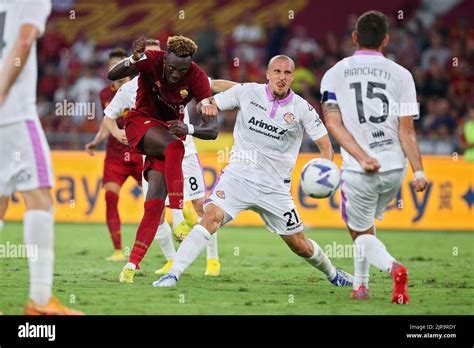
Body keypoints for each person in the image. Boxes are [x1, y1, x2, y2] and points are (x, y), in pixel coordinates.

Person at [154, 55, 353, 288]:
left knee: (300, 245)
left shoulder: (302, 108)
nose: (281, 77)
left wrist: (325, 171)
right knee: (210, 217)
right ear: (267, 74)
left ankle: (333, 275)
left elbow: (325, 146)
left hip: (275, 188)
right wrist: (206, 105)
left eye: (287, 73)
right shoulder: (248, 92)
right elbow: (210, 103)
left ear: (293, 77)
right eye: (277, 72)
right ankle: (173, 274)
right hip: (238, 177)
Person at [320, 10, 428, 304]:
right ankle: (361, 286)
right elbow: (408, 131)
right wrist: (419, 172)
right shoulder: (402, 74)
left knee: (359, 231)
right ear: (386, 40)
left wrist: (362, 156)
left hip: (360, 170)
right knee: (367, 224)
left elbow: (332, 123)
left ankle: (394, 268)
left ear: (354, 38)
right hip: (395, 168)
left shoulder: (334, 74)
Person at [103, 59, 236, 276]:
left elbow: (215, 85)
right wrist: (116, 133)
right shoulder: (129, 89)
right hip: (158, 151)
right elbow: (109, 115)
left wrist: (250, 91)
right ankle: (171, 260)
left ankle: (212, 261)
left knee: (202, 206)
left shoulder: (180, 77)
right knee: (156, 212)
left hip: (187, 151)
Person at [0, 0, 82, 314]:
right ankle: (40, 301)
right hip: (14, 116)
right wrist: (3, 91)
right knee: (40, 196)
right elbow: (23, 40)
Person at [85, 47, 143, 262]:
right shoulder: (104, 94)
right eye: (112, 66)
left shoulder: (139, 88)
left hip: (139, 151)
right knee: (110, 198)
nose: (116, 69)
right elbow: (107, 120)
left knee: (155, 199)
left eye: (120, 65)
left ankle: (163, 248)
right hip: (115, 155)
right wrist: (97, 140)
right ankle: (118, 250)